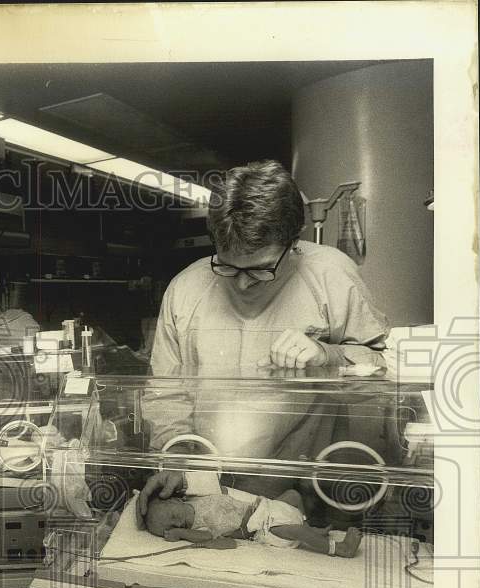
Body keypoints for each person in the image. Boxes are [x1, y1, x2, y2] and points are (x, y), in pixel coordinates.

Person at [139, 160, 391, 516]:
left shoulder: (330, 275)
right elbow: (166, 394)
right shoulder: (186, 289)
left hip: (304, 489)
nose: (242, 283)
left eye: (260, 268)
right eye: (228, 266)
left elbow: (382, 372)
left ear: (293, 243)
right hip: (208, 487)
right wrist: (176, 460)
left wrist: (327, 355)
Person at [140, 484, 362, 558]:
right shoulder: (197, 526)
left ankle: (310, 528)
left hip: (264, 507)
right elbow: (208, 537)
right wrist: (182, 535)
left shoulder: (196, 498)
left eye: (170, 515)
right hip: (261, 528)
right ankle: (340, 549)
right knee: (297, 533)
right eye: (170, 528)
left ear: (176, 499)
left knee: (294, 496)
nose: (176, 524)